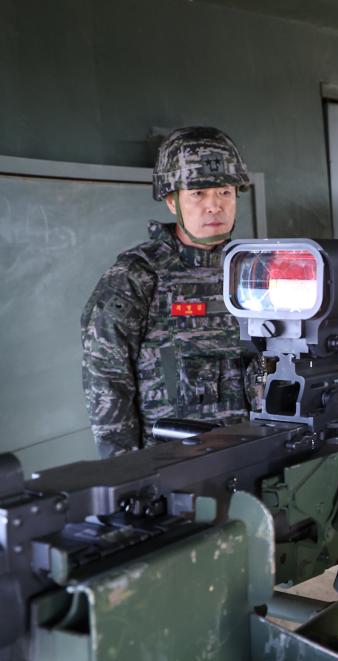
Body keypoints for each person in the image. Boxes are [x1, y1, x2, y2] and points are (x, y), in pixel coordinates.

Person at [82, 126, 261, 458]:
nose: (214, 206)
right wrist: (126, 472)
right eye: (197, 194)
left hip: (253, 454)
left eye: (224, 192)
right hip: (174, 466)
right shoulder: (136, 276)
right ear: (171, 201)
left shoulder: (257, 269)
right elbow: (107, 382)